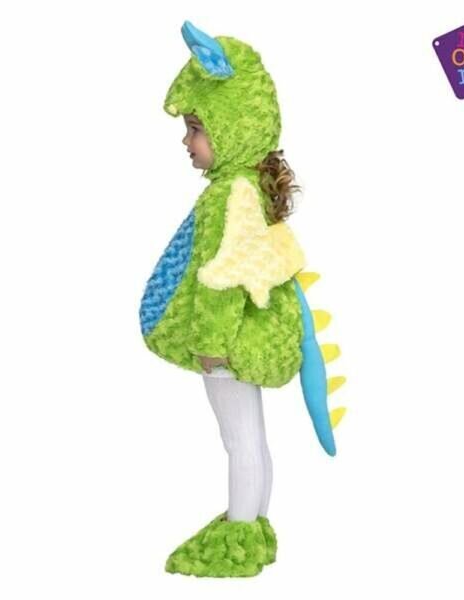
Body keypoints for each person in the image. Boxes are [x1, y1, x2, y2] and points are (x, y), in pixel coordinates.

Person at [139, 20, 345, 577]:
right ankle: (250, 524)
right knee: (248, 439)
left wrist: (210, 344)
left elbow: (223, 275)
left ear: (230, 126)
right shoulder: (247, 186)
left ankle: (239, 536)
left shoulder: (229, 195)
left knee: (241, 440)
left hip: (226, 345)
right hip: (238, 338)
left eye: (196, 127)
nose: (187, 142)